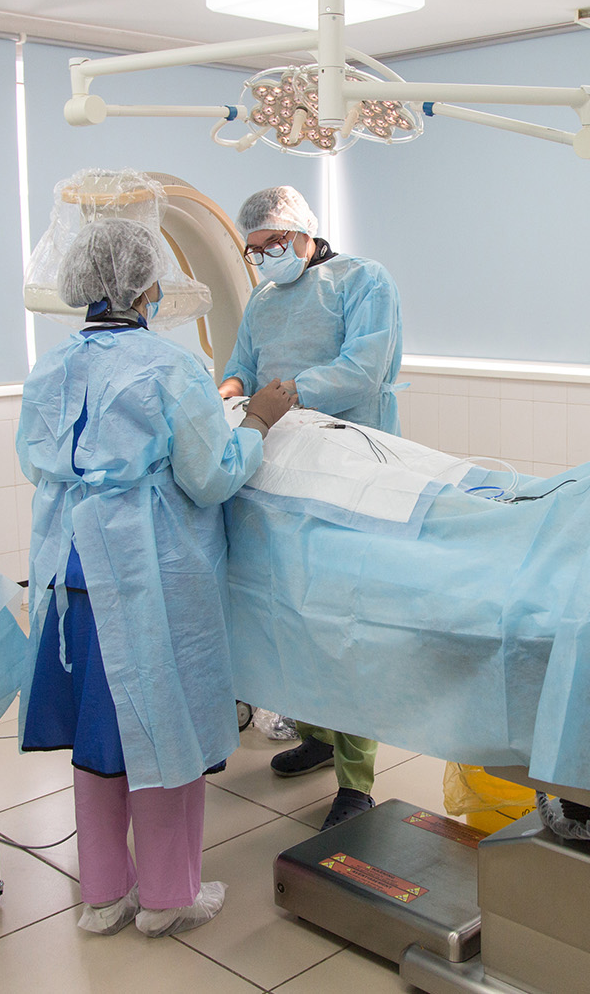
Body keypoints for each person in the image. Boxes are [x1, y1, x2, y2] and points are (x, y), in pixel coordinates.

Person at [18, 217, 296, 938]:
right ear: (148, 287)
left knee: (99, 736)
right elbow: (211, 476)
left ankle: (104, 893)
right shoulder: (169, 367)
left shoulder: (50, 369)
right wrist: (258, 420)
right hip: (147, 572)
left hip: (71, 572)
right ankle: (169, 895)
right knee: (162, 729)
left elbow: (34, 463)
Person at [216, 185, 403, 830]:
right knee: (294, 614)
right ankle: (320, 736)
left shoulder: (363, 280)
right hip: (284, 468)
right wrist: (228, 390)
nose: (265, 257)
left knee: (346, 622)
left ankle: (357, 780)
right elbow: (243, 365)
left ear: (302, 232)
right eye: (254, 250)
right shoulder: (263, 300)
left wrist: (290, 393)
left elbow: (365, 369)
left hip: (351, 467)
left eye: (273, 244)